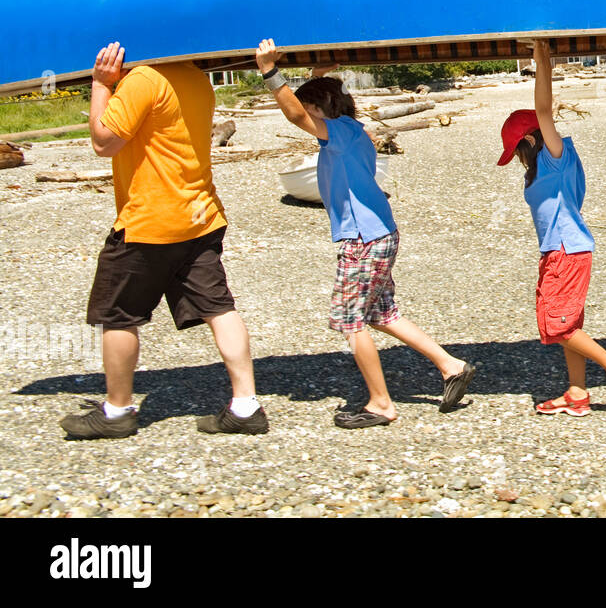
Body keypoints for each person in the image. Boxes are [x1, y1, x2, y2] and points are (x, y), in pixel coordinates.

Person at [255, 40, 475, 426]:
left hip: (364, 240)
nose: (308, 120)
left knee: (351, 320)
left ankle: (381, 403)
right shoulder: (351, 129)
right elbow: (314, 104)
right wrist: (320, 74)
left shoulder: (337, 133)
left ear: (321, 110)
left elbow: (294, 114)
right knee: (381, 313)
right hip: (379, 233)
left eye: (311, 111)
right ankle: (451, 365)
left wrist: (270, 73)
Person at [60, 43, 267, 439]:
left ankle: (117, 412)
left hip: (150, 222)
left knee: (118, 314)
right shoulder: (194, 75)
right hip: (201, 215)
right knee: (219, 307)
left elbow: (105, 143)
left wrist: (101, 85)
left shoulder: (144, 79)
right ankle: (245, 406)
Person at [498, 40, 606, 417]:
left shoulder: (555, 157)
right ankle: (577, 392)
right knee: (567, 322)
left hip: (567, 250)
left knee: (555, 324)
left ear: (528, 141)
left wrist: (541, 58)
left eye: (517, 152)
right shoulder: (542, 167)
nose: (517, 161)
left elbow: (543, 109)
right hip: (559, 250)